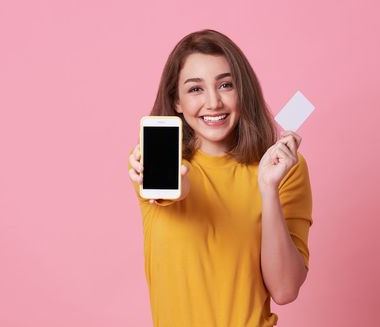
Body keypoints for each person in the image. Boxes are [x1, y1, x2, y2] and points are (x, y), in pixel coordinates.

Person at [128, 29, 313, 327]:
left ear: (243, 91)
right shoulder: (155, 162)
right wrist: (164, 178)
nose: (213, 102)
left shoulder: (283, 168)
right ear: (176, 101)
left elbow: (285, 289)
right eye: (195, 89)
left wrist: (268, 188)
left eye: (226, 85)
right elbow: (179, 189)